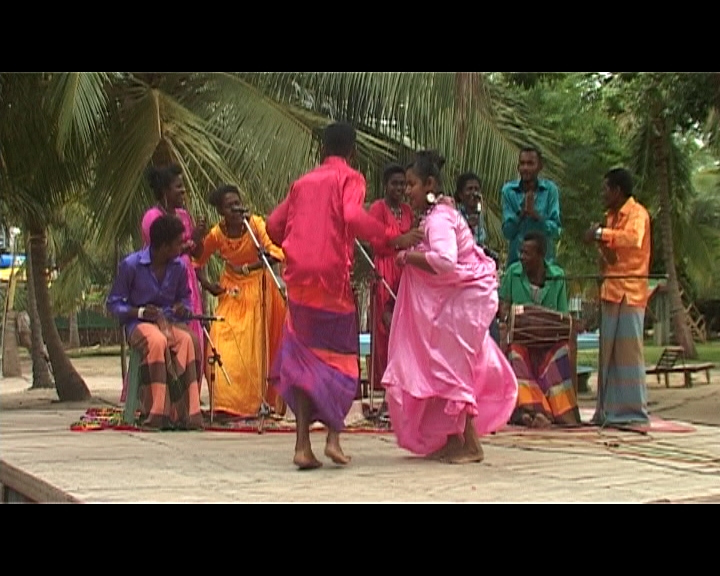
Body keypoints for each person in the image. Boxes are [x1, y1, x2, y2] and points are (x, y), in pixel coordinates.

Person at [266, 122, 397, 470]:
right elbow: (354, 215)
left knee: (305, 360)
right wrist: (387, 237)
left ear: (323, 149)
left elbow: (272, 226)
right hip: (332, 281)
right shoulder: (350, 178)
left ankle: (302, 446)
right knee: (341, 359)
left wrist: (298, 246)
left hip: (299, 280)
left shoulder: (302, 183)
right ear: (352, 151)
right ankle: (334, 439)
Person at [381, 150, 518, 465]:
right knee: (444, 364)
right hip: (462, 299)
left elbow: (445, 262)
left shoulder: (440, 219)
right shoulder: (438, 215)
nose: (407, 191)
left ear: (429, 183)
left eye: (412, 184)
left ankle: (470, 444)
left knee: (451, 366)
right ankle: (454, 439)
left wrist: (406, 257)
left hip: (466, 301)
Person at [192, 184, 287, 419]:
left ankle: (252, 403)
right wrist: (207, 285)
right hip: (230, 291)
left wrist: (247, 268)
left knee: (251, 344)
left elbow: (276, 253)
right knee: (221, 338)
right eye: (230, 206)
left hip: (258, 288)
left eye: (238, 203)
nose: (236, 209)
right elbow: (196, 261)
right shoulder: (216, 234)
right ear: (221, 212)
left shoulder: (255, 224)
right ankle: (227, 403)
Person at [106, 215, 203, 430]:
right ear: (165, 246)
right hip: (137, 324)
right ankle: (157, 412)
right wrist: (140, 311)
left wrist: (182, 308)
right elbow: (113, 304)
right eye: (179, 243)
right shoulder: (131, 265)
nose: (183, 246)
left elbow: (185, 298)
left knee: (188, 341)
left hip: (168, 322)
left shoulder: (178, 266)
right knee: (157, 342)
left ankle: (186, 414)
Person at [584, 168, 651, 426]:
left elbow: (633, 240)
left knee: (628, 355)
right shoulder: (610, 217)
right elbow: (613, 258)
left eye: (605, 189)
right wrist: (599, 242)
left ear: (617, 191)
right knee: (608, 355)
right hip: (611, 292)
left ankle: (633, 414)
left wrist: (600, 234)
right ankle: (608, 412)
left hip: (631, 293)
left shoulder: (637, 214)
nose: (602, 194)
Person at [134, 164, 207, 397]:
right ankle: (159, 395)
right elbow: (160, 252)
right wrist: (190, 242)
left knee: (192, 335)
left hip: (186, 285)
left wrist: (199, 238)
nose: (184, 191)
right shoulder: (152, 218)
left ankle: (188, 396)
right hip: (161, 284)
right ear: (165, 191)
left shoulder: (184, 216)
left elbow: (196, 253)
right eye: (179, 187)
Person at [498, 230, 580, 428]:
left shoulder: (557, 277)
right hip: (521, 341)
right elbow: (502, 307)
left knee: (561, 353)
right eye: (521, 252)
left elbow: (562, 316)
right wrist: (509, 316)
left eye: (527, 253)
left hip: (548, 342)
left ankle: (558, 412)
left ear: (541, 255)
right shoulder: (512, 273)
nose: (522, 257)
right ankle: (534, 411)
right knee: (516, 355)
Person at [367, 163, 423, 394]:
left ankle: (404, 381)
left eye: (404, 184)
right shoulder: (378, 208)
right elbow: (376, 239)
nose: (399, 188)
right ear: (386, 185)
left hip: (405, 271)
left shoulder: (408, 211)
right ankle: (382, 384)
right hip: (384, 270)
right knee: (384, 327)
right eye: (395, 183)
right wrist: (402, 239)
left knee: (405, 327)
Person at [455, 171, 501, 343]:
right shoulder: (455, 216)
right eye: (469, 189)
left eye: (477, 189)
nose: (474, 193)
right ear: (460, 194)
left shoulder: (482, 216)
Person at [501, 146, 561, 266]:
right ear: (518, 167)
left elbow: (556, 231)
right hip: (517, 264)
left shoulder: (550, 190)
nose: (525, 168)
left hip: (544, 265)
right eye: (522, 163)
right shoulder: (509, 191)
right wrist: (521, 214)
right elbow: (507, 232)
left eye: (530, 163)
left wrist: (536, 217)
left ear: (540, 166)